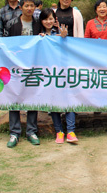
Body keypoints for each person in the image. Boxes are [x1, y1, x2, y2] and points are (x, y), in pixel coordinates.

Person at [4, 0, 42, 148]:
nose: (29, 9)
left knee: (32, 96)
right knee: (14, 96)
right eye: (26, 6)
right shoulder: (12, 24)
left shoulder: (38, 25)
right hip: (15, 66)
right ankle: (14, 133)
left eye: (32, 6)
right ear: (20, 7)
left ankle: (31, 131)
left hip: (33, 65)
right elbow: (4, 43)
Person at [37, 8, 77, 144]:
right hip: (48, 74)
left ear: (55, 19)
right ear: (41, 21)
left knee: (69, 99)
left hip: (63, 71)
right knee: (53, 101)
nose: (48, 22)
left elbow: (67, 48)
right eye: (46, 19)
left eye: (51, 19)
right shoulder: (38, 36)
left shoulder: (60, 33)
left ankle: (71, 131)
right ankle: (59, 131)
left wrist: (64, 37)